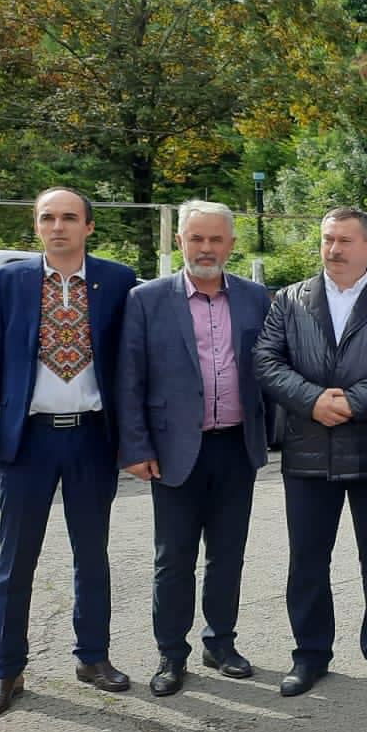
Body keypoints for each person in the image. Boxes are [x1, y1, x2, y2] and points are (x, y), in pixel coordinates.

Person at [0, 188, 138, 719]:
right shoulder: (8, 283)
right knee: (16, 560)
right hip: (29, 440)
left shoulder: (117, 281)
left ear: (89, 226)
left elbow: (133, 367)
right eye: (48, 218)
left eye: (69, 217)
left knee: (92, 555)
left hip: (92, 436)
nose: (58, 226)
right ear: (36, 227)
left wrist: (136, 440)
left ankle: (93, 658)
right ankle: (6, 669)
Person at [117, 201, 273, 697]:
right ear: (179, 241)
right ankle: (171, 653)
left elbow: (270, 369)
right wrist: (136, 446)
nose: (206, 249)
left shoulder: (255, 298)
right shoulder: (147, 299)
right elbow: (130, 380)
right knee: (174, 557)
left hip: (234, 447)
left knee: (228, 555)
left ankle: (221, 643)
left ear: (230, 243)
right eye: (196, 239)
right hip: (173, 450)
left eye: (216, 239)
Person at [254, 206, 367, 697]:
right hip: (308, 449)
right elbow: (266, 358)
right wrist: (312, 400)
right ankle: (310, 654)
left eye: (345, 240)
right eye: (327, 239)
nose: (334, 249)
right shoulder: (291, 299)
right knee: (307, 560)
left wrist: (355, 401)